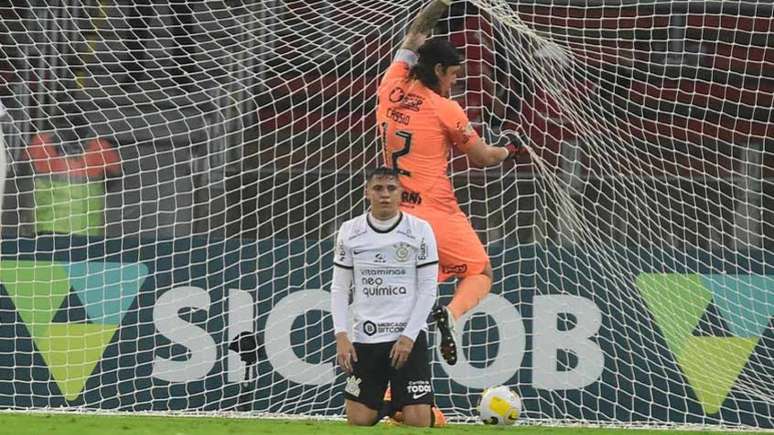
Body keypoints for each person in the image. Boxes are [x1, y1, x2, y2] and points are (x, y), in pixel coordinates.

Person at [376, 0, 525, 366]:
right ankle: (453, 316)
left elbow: (415, 33)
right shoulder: (446, 110)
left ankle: (399, 401)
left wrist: (440, 4)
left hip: (393, 213)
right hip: (434, 212)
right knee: (480, 272)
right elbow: (483, 158)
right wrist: (510, 147)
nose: (456, 81)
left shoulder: (390, 82)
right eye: (454, 74)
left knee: (404, 306)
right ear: (439, 69)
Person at [331, 167, 444, 427]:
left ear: (401, 193)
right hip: (366, 337)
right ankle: (395, 408)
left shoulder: (420, 230)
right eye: (378, 188)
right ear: (367, 193)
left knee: (418, 424)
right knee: (358, 420)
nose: (385, 194)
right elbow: (339, 288)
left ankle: (418, 409)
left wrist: (409, 336)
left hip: (406, 338)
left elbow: (428, 289)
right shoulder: (350, 231)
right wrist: (341, 335)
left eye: (391, 189)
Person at [25, 117, 121, 236]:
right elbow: (115, 176)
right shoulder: (100, 148)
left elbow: (23, 173)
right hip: (86, 229)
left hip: (46, 225)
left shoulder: (40, 143)